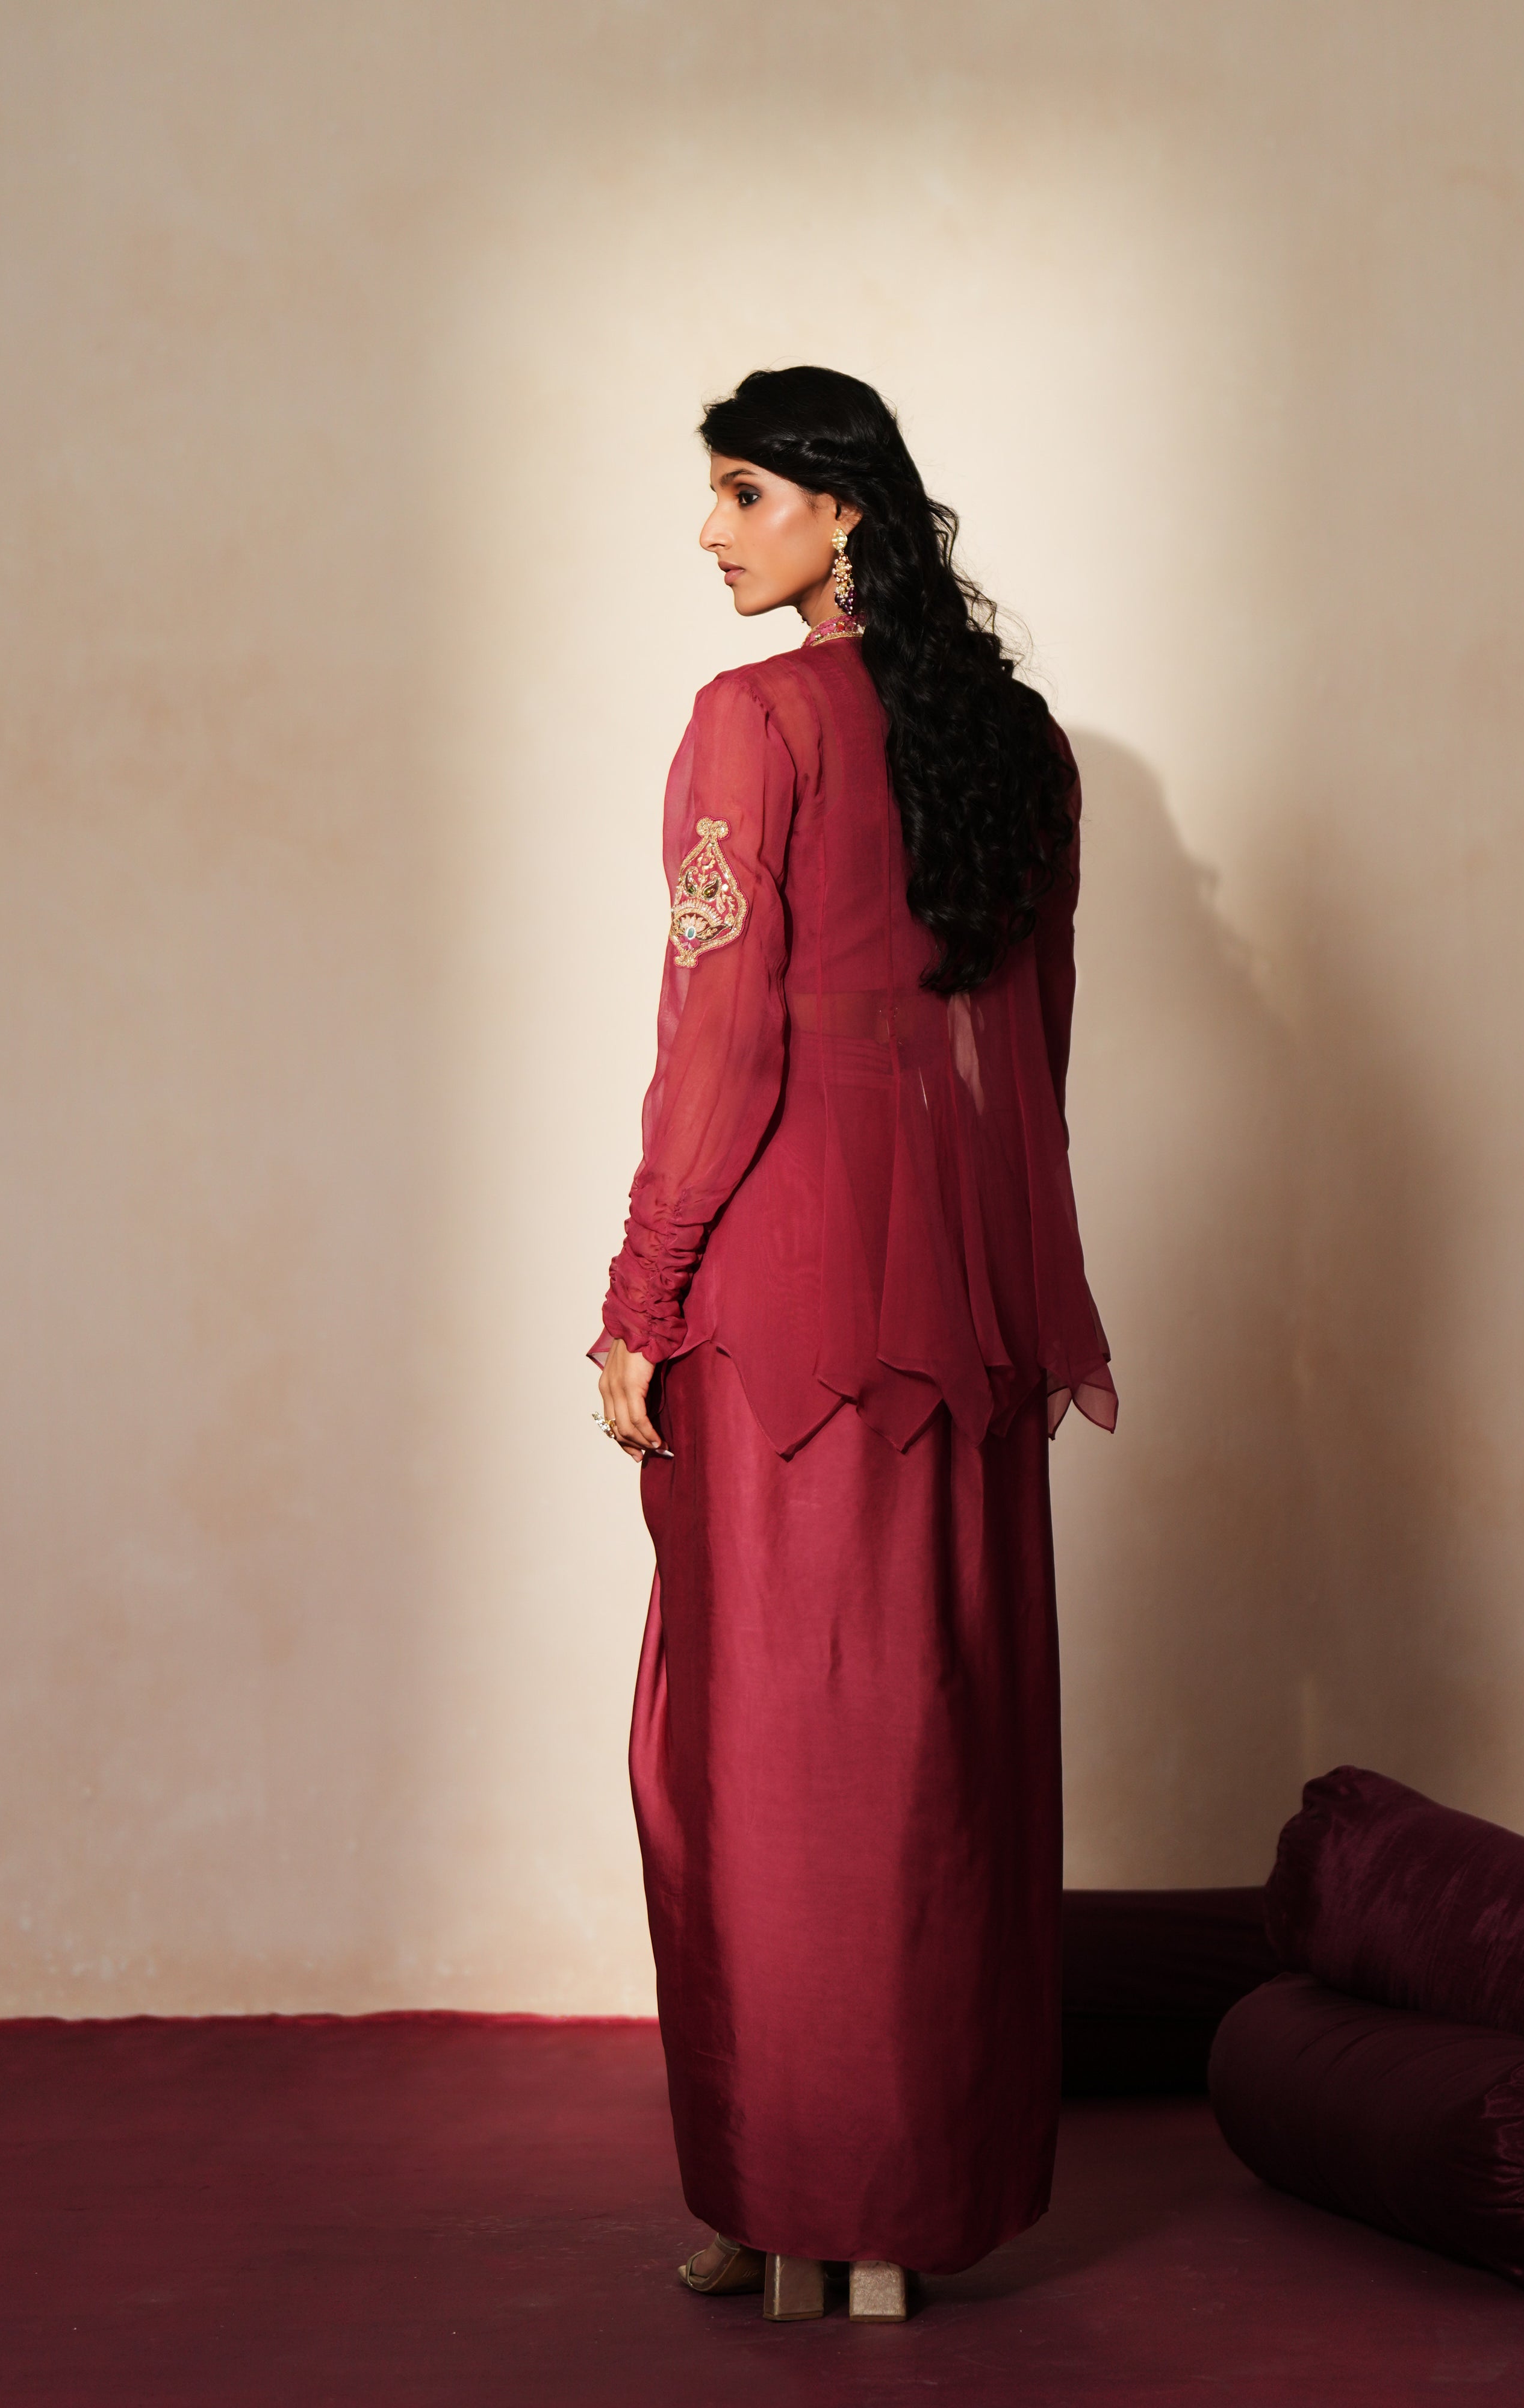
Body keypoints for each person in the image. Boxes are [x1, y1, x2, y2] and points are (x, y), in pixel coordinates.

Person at [591, 366, 1114, 2325]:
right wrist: (1004, 1282)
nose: (711, 533)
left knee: (753, 1754)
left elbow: (717, 1041)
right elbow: (1031, 1059)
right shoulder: (1018, 742)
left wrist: (643, 1303)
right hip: (958, 1302)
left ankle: (789, 2193)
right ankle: (884, 2204)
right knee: (929, 1749)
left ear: (846, 514)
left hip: (787, 1297)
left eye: (743, 494)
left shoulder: (751, 723)